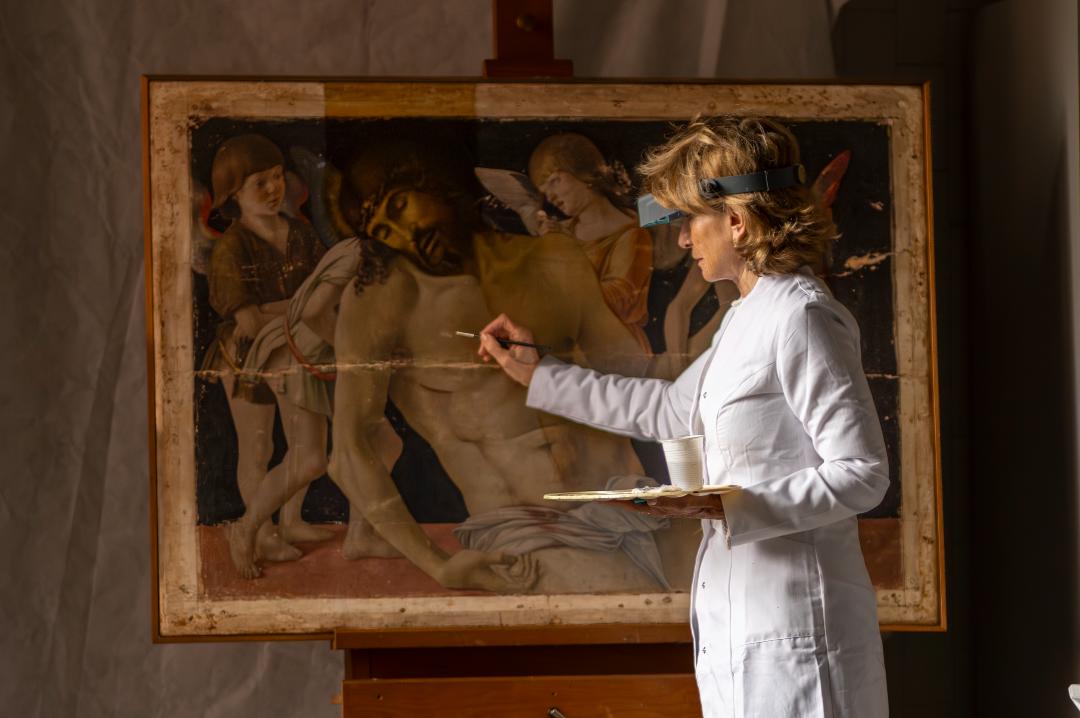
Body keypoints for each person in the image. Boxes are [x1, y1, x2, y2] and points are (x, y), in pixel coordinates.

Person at [479, 117, 890, 717]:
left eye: (690, 220)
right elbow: (666, 409)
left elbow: (862, 472)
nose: (681, 239)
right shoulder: (743, 319)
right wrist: (537, 374)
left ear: (737, 220)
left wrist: (727, 505)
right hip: (737, 626)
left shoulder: (801, 317)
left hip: (800, 626)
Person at [316, 138, 703, 594]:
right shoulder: (389, 299)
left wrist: (727, 329)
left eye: (400, 207)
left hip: (632, 499)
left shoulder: (555, 259)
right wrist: (439, 566)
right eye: (384, 231)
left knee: (732, 589)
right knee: (641, 611)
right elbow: (350, 450)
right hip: (529, 528)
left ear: (431, 183)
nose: (405, 235)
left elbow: (641, 383)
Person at [200, 134, 333, 575]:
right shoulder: (231, 248)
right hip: (244, 358)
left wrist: (292, 308)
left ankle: (291, 522)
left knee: (302, 447)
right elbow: (250, 323)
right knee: (259, 448)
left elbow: (328, 296)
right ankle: (261, 532)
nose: (274, 188)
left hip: (295, 350)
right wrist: (303, 306)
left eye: (277, 177)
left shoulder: (302, 234)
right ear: (233, 194)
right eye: (260, 182)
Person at [528, 133, 653, 350]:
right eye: (544, 192)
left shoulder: (631, 234)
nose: (550, 197)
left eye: (555, 181)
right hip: (568, 347)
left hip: (616, 350)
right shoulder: (558, 232)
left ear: (583, 173)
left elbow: (621, 300)